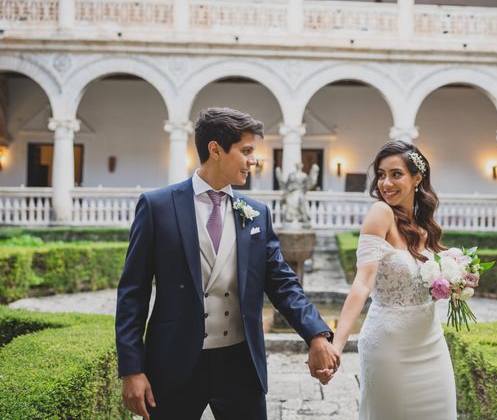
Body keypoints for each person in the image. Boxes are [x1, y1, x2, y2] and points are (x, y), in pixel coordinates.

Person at [115, 107, 339, 420]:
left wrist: (316, 334)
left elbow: (282, 282)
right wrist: (131, 369)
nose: (253, 160)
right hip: (174, 363)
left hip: (240, 365)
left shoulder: (257, 212)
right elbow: (132, 294)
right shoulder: (157, 206)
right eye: (246, 151)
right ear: (215, 149)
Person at [329, 140, 457, 419]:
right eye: (381, 174)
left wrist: (458, 280)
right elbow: (363, 283)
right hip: (390, 347)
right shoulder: (380, 213)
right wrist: (337, 345)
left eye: (395, 174)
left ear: (417, 178)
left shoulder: (425, 227)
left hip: (431, 343)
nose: (386, 183)